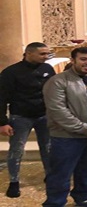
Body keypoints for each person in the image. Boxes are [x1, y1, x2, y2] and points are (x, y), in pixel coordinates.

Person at [42, 47, 87, 207]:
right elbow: (59, 112)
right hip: (67, 137)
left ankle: (84, 196)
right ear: (73, 60)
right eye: (83, 59)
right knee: (61, 173)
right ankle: (55, 203)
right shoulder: (58, 81)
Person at [0, 42, 56, 198]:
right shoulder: (11, 72)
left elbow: (54, 91)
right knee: (16, 150)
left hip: (44, 115)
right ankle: (14, 181)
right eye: (42, 54)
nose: (46, 57)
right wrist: (3, 122)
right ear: (29, 53)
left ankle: (50, 176)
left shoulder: (47, 69)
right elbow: (2, 98)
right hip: (21, 116)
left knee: (48, 148)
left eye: (47, 54)